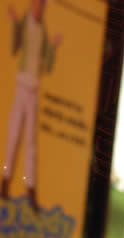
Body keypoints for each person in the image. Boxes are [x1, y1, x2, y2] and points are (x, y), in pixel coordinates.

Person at [2, 0, 62, 211]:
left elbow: (46, 60)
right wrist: (15, 23)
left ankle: (30, 188)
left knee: (30, 140)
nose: (39, 8)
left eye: (42, 6)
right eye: (37, 4)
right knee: (14, 134)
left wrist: (53, 46)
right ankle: (6, 180)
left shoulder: (42, 29)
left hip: (34, 88)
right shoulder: (26, 23)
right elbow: (16, 44)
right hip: (21, 84)